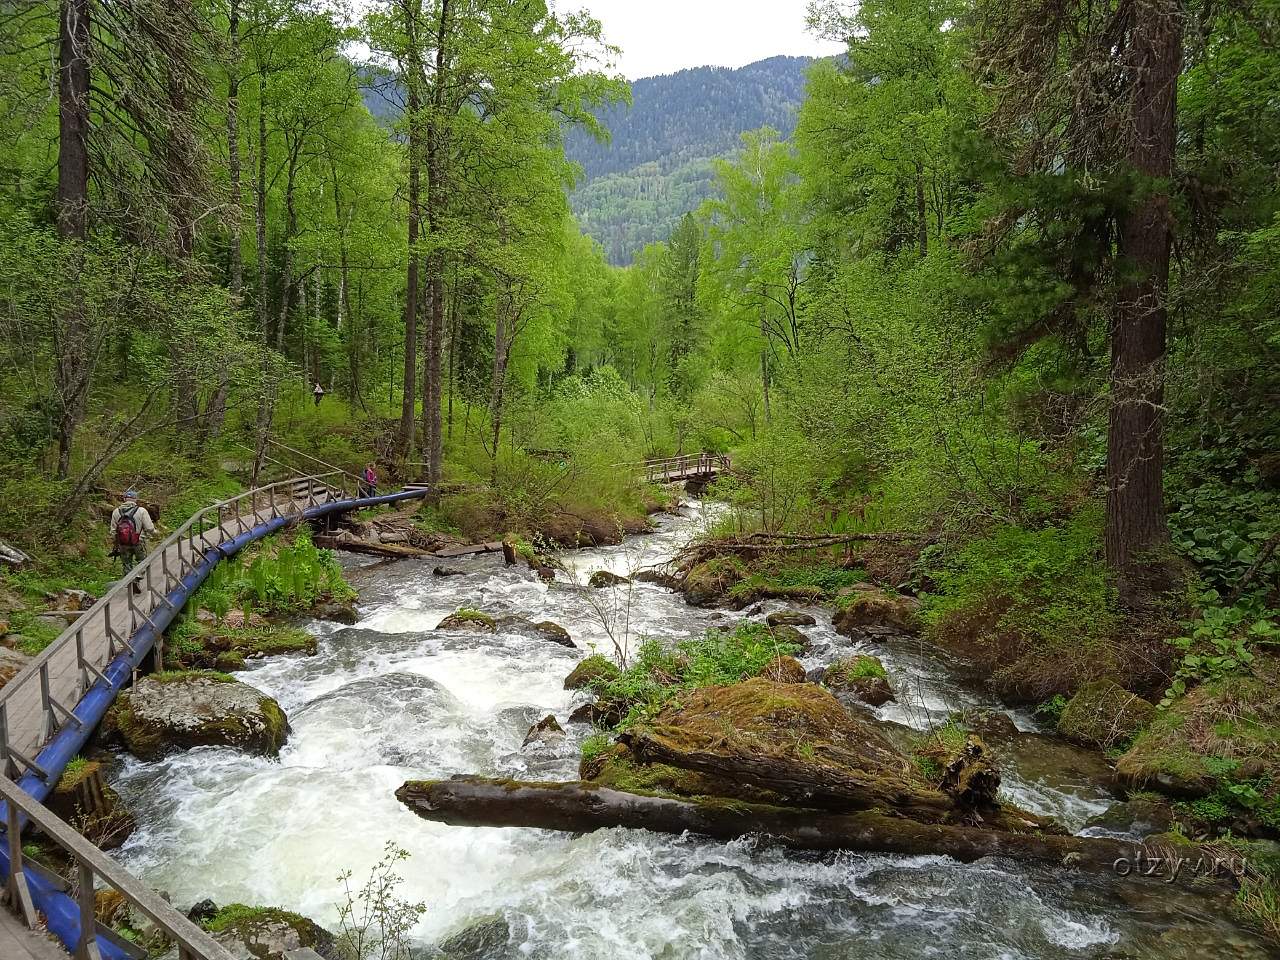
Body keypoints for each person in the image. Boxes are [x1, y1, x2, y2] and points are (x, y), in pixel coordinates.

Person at [109, 490, 155, 578]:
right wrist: (152, 533)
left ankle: (130, 583)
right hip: (138, 541)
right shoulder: (141, 511)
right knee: (142, 561)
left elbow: (113, 530)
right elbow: (149, 528)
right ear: (135, 499)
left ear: (124, 499)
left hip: (123, 543)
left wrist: (117, 542)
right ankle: (139, 576)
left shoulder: (116, 511)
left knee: (126, 564)